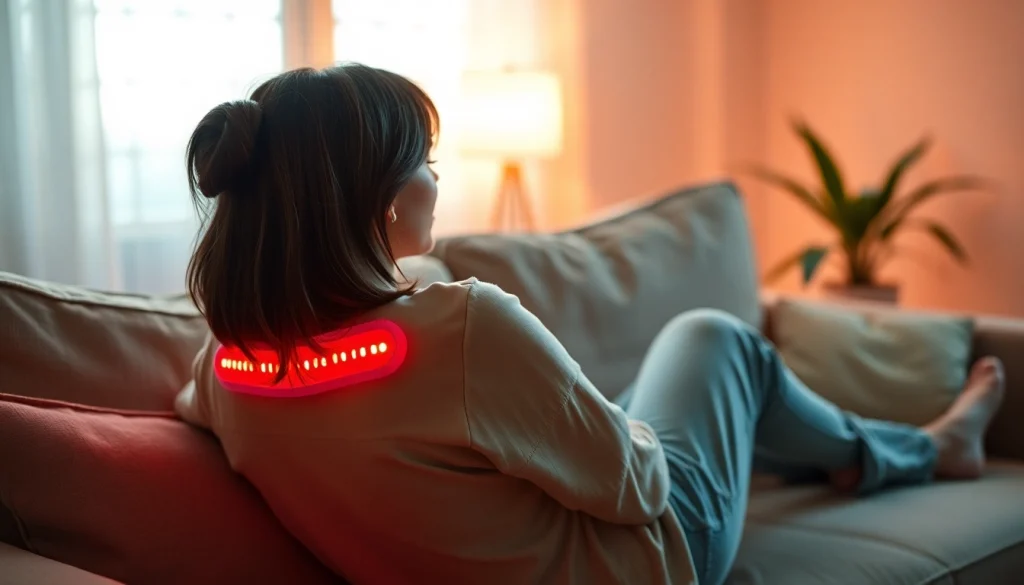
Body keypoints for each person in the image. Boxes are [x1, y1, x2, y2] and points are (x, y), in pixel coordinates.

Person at [175, 63, 1005, 585]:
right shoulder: (465, 328)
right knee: (713, 340)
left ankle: (860, 453)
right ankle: (928, 448)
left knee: (677, 386)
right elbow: (640, 487)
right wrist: (619, 426)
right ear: (382, 197)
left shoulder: (231, 371)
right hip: (658, 559)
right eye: (424, 158)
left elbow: (201, 407)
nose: (435, 174)